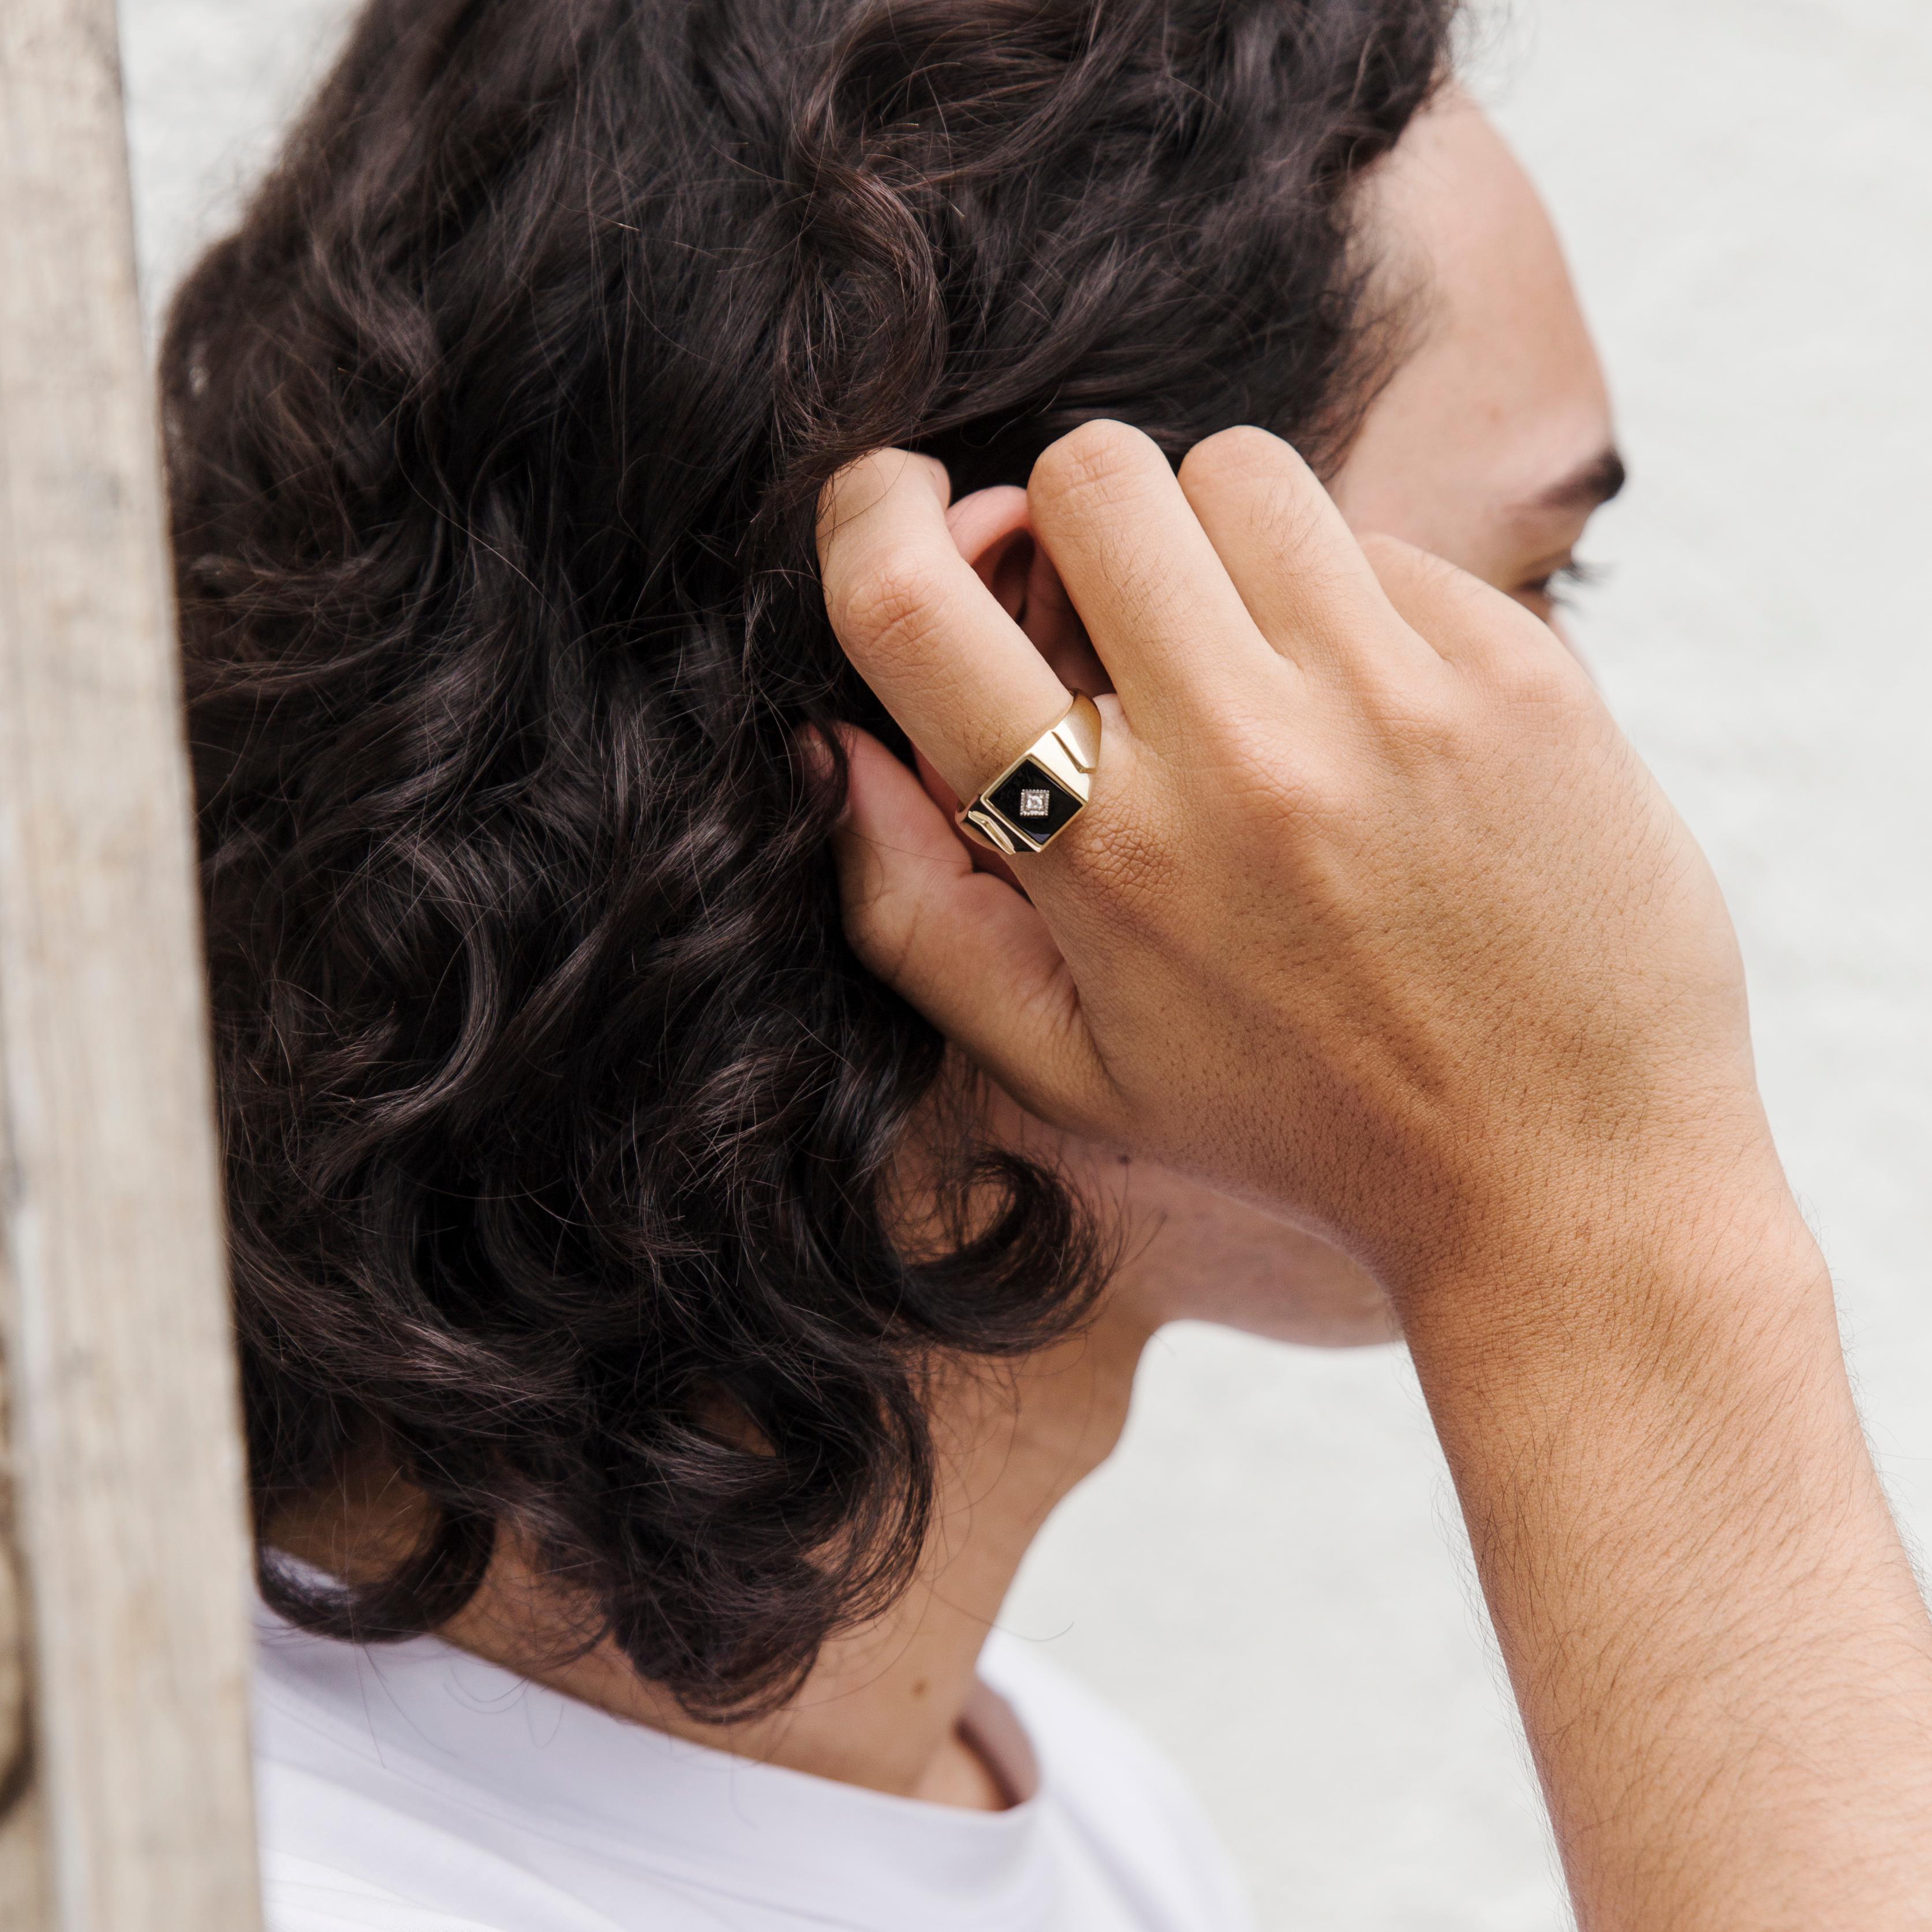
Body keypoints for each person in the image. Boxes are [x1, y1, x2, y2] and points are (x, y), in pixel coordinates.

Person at [159, 0, 1932, 1926]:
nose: (1592, 794)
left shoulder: (1068, 1812)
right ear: (1009, 681)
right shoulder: (239, 1880)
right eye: (1525, 595)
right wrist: (1602, 1224)